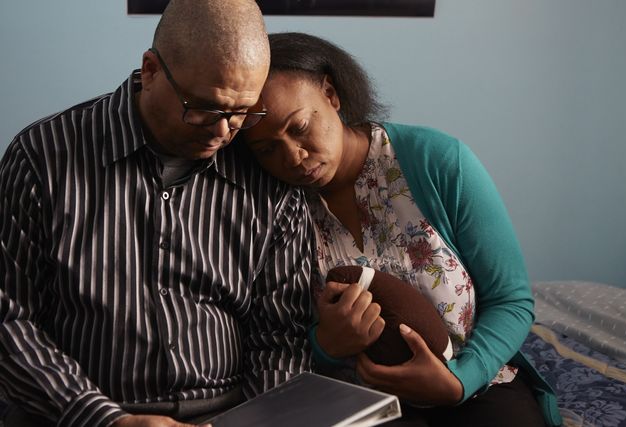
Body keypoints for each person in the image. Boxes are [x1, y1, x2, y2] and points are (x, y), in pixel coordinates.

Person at [0, 2, 315, 427]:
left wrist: (251, 423)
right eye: (204, 107)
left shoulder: (267, 175)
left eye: (242, 112)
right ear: (150, 70)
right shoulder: (43, 157)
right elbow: (10, 319)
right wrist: (107, 420)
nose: (223, 131)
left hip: (228, 415)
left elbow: (281, 338)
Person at [242, 32, 563, 427]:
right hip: (361, 398)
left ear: (330, 94)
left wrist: (458, 381)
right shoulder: (272, 205)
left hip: (475, 379)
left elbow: (511, 299)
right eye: (267, 149)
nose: (294, 156)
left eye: (301, 126)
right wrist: (325, 345)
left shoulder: (438, 161)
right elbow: (276, 335)